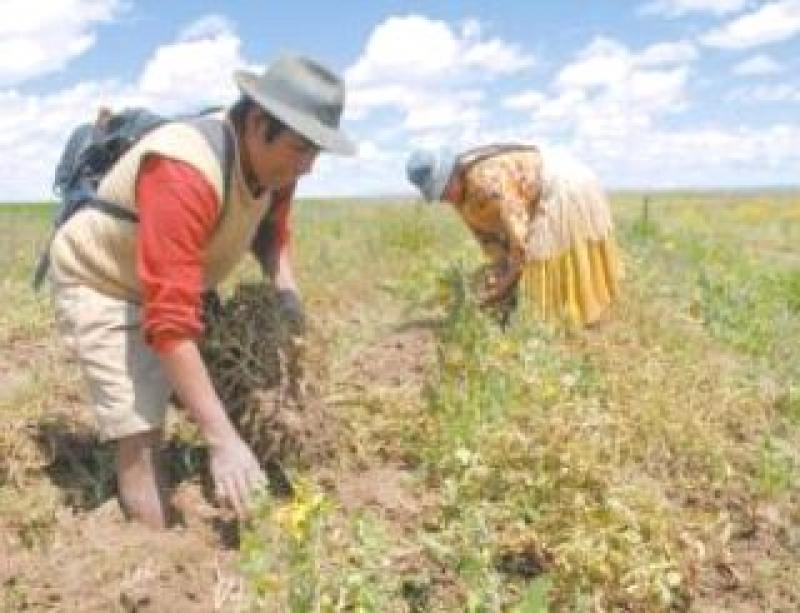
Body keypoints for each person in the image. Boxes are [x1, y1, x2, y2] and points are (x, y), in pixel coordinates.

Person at [48, 55, 355, 528]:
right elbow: (169, 324)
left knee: (244, 383)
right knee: (141, 434)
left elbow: (270, 233)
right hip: (104, 280)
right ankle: (157, 554)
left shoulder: (278, 169)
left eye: (315, 153)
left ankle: (226, 442)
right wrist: (222, 442)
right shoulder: (183, 169)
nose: (307, 167)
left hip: (176, 279)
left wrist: (287, 292)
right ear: (257, 123)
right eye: (300, 150)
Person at [406, 144, 619, 327]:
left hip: (565, 186)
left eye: (443, 190)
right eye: (438, 195)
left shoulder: (487, 181)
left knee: (540, 258)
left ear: (455, 174)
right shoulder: (460, 196)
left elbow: (519, 238)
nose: (443, 199)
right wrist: (500, 266)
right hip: (545, 189)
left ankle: (564, 321)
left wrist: (505, 282)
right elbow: (486, 237)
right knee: (519, 269)